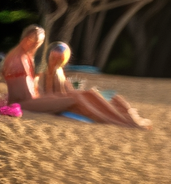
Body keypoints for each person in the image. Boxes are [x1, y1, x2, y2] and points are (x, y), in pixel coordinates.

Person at [4, 27, 148, 127]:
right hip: (25, 103)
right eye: (33, 41)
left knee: (89, 93)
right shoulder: (18, 60)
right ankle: (121, 122)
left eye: (39, 42)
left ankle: (124, 118)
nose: (35, 45)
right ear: (25, 39)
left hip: (32, 99)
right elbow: (23, 92)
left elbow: (30, 86)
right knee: (77, 98)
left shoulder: (26, 57)